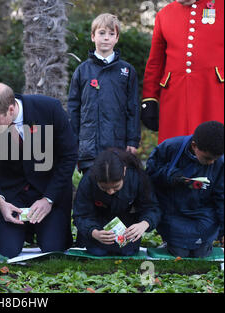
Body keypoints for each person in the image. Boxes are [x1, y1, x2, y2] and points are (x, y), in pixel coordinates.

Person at [0, 82, 78, 258]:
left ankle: (45, 228)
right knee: (7, 251)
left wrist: (49, 199)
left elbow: (69, 156)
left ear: (11, 109)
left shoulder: (50, 109)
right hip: (10, 193)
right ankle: (3, 233)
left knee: (54, 250)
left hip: (48, 188)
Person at [141, 0, 224, 143]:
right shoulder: (164, 14)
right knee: (175, 150)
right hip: (175, 99)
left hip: (213, 94)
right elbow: (155, 62)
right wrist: (150, 98)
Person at [67, 13, 140, 174]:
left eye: (111, 34)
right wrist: (74, 142)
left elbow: (133, 108)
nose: (106, 38)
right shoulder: (82, 71)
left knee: (114, 189)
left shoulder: (127, 71)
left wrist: (133, 141)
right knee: (90, 190)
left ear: (117, 38)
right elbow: (73, 109)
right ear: (93, 36)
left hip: (117, 145)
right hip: (88, 148)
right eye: (101, 33)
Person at [145, 121, 224, 258]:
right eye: (208, 158)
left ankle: (204, 244)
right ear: (194, 146)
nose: (211, 162)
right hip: (173, 210)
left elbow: (222, 197)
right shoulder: (170, 148)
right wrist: (170, 176)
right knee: (180, 253)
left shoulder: (220, 162)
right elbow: (150, 175)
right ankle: (170, 242)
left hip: (203, 212)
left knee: (200, 254)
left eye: (215, 159)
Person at [73, 148, 161, 256]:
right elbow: (81, 214)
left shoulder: (137, 176)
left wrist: (144, 224)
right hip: (97, 225)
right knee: (97, 252)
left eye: (116, 187)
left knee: (128, 252)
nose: (110, 192)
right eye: (104, 188)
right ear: (96, 178)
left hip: (127, 228)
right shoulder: (88, 180)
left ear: (124, 171)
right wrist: (94, 232)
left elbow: (152, 207)